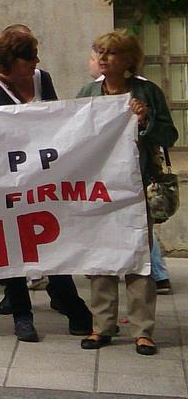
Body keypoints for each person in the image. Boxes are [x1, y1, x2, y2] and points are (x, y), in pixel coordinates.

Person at [0, 28, 90, 342]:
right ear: (11, 61)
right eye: (28, 57)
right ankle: (22, 315)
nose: (35, 62)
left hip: (45, 178)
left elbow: (57, 119)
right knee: (13, 246)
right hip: (8, 181)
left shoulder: (42, 78)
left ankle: (71, 304)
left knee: (52, 241)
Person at [77, 31, 177, 356]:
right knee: (101, 258)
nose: (104, 59)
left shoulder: (147, 91)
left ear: (128, 60)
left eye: (112, 54)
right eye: (100, 52)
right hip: (100, 188)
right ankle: (102, 326)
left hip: (136, 186)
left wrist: (145, 119)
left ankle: (142, 331)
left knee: (139, 258)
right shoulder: (88, 92)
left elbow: (169, 135)